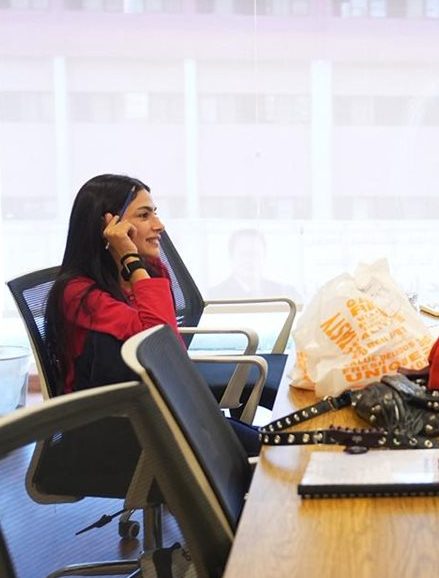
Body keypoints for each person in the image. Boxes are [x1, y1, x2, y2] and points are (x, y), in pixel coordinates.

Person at [43, 174, 260, 455]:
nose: (159, 225)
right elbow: (160, 345)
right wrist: (130, 260)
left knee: (268, 445)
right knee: (260, 452)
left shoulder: (149, 270)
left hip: (158, 410)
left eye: (155, 213)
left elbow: (170, 353)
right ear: (109, 227)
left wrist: (135, 267)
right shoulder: (77, 293)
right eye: (144, 215)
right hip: (111, 430)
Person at [207, 228, 299, 302]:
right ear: (232, 257)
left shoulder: (285, 294)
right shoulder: (213, 295)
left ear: (264, 256)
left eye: (255, 254)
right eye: (244, 254)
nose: (249, 260)